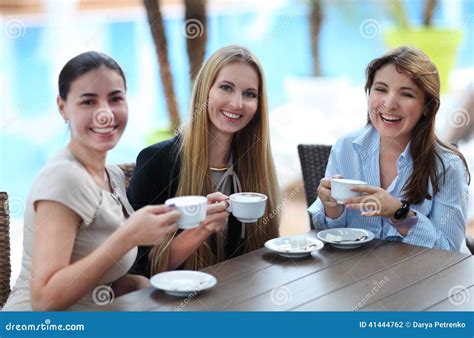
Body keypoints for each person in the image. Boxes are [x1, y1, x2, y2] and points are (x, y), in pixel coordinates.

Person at [3, 52, 181, 311]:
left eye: (115, 98)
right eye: (88, 102)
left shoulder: (113, 177)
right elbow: (44, 300)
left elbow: (96, 277)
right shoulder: (64, 178)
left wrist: (134, 284)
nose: (105, 114)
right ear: (62, 107)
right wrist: (128, 235)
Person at [127, 45, 280, 275]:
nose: (237, 104)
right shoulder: (156, 161)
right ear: (205, 91)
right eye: (226, 88)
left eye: (249, 94)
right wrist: (202, 229)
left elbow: (264, 254)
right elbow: (140, 268)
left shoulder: (253, 164)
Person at [308, 46, 470, 252]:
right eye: (381, 89)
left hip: (424, 280)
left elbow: (448, 251)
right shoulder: (346, 147)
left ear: (428, 106)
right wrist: (332, 208)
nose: (389, 103)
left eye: (406, 94)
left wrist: (399, 214)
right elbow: (330, 234)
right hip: (357, 277)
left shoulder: (447, 165)